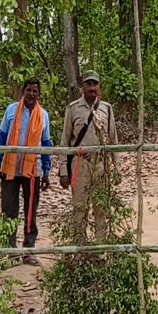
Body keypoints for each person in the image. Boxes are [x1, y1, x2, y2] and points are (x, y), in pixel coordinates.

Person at [0, 78, 51, 266]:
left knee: (30, 212)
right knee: (9, 211)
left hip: (33, 171)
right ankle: (10, 251)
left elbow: (46, 144)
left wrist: (47, 171)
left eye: (35, 91)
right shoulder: (11, 111)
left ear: (38, 94)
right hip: (10, 170)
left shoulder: (43, 115)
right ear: (23, 91)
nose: (31, 94)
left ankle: (29, 250)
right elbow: (1, 138)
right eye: (28, 90)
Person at [59, 70, 119, 242]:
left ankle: (100, 248)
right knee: (79, 207)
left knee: (101, 208)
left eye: (95, 84)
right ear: (82, 86)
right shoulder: (73, 109)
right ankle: (80, 247)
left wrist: (117, 169)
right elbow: (65, 141)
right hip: (80, 164)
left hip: (101, 165)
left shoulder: (107, 109)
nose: (92, 87)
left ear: (99, 86)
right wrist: (63, 170)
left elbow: (114, 141)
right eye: (88, 84)